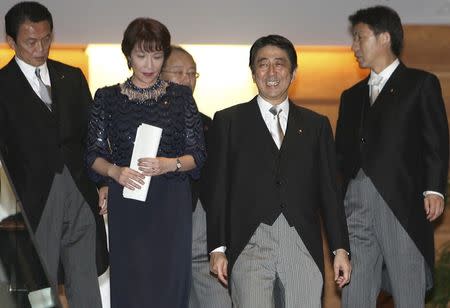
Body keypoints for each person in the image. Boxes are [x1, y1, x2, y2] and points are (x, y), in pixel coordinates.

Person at [205, 34, 351, 307]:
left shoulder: (316, 125)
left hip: (302, 243)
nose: (271, 72)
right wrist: (217, 247)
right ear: (253, 72)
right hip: (249, 241)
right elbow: (218, 190)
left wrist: (340, 249)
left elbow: (330, 193)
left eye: (279, 64)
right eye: (263, 64)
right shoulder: (228, 121)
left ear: (293, 73)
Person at [86, 18, 206, 308]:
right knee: (132, 284)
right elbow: (92, 154)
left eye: (156, 55)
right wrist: (116, 172)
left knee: (169, 282)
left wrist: (170, 164)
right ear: (128, 55)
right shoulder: (107, 98)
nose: (149, 64)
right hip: (128, 201)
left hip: (171, 201)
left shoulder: (180, 98)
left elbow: (197, 154)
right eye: (141, 55)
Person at [336, 6, 449, 307]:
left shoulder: (420, 84)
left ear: (384, 38)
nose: (353, 46)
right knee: (355, 288)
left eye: (359, 38)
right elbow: (341, 157)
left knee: (407, 289)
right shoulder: (351, 96)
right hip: (354, 203)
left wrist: (434, 188)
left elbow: (435, 140)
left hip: (400, 201)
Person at [0, 2, 107, 307]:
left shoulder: (71, 77)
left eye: (46, 38)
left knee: (85, 280)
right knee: (40, 288)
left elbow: (92, 137)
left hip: (81, 192)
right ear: (11, 42)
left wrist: (102, 182)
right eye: (31, 41)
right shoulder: (2, 85)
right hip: (34, 199)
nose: (40, 47)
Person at [161, 46, 232, 308]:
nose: (187, 79)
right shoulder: (142, 121)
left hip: (205, 239)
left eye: (192, 73)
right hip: (164, 237)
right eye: (178, 72)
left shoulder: (208, 123)